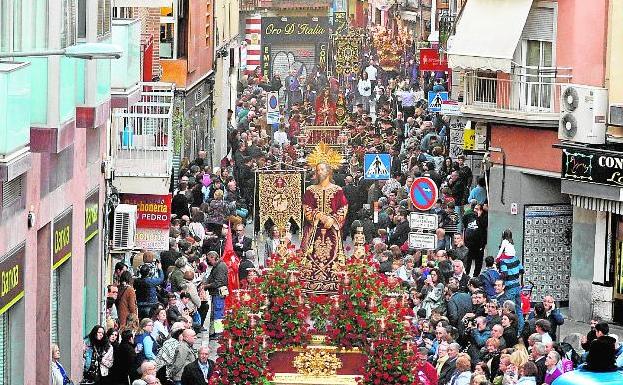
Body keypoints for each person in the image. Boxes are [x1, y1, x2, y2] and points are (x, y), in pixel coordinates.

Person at [300, 160, 349, 295]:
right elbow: (306, 206)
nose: (319, 172)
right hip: (313, 230)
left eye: (322, 169)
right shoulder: (310, 190)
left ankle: (332, 284)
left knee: (332, 255)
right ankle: (310, 284)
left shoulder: (337, 190)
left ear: (328, 172)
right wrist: (318, 215)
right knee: (311, 256)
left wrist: (332, 219)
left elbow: (343, 207)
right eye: (317, 170)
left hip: (331, 230)